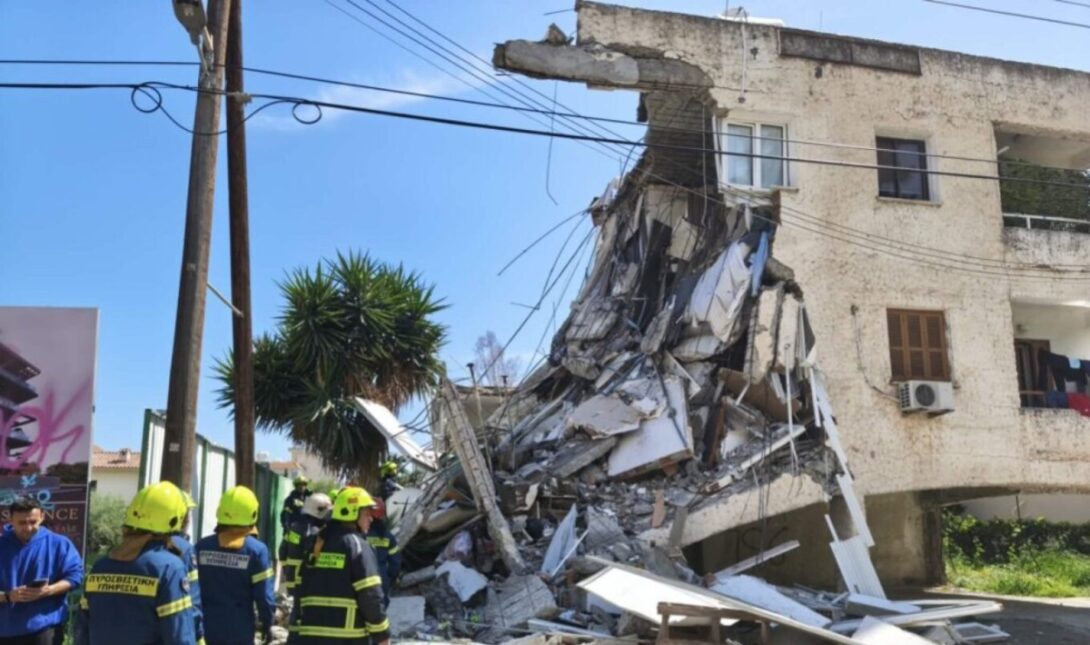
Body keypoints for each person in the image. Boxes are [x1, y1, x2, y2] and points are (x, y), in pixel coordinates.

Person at [79, 483, 197, 644]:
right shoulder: (170, 568)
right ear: (175, 519)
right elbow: (179, 634)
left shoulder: (100, 567)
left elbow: (82, 630)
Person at [289, 486, 389, 645]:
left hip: (310, 637)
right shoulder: (357, 545)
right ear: (352, 513)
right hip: (347, 639)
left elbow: (301, 587)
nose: (371, 519)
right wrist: (382, 635)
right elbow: (370, 595)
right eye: (367, 514)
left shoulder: (317, 543)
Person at [196, 486, 275, 645]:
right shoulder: (257, 551)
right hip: (239, 632)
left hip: (205, 630)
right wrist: (268, 624)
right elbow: (264, 597)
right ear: (253, 514)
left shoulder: (201, 547)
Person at [0, 497, 83, 645]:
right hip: (4, 630)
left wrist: (49, 590)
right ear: (10, 519)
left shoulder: (59, 544)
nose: (28, 528)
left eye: (33, 522)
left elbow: (75, 577)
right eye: (22, 523)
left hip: (45, 629)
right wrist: (7, 596)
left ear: (42, 517)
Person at [279, 493, 331, 599]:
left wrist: (287, 568)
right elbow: (311, 558)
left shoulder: (294, 527)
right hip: (304, 580)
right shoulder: (314, 532)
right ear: (318, 511)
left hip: (291, 579)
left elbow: (282, 551)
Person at [172, 491, 204, 645]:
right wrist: (199, 635)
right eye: (188, 513)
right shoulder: (185, 549)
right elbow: (193, 600)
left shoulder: (135, 546)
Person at [364, 499, 400, 610]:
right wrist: (391, 578)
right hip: (381, 577)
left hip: (363, 576)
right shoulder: (388, 535)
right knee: (380, 608)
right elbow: (395, 563)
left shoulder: (359, 535)